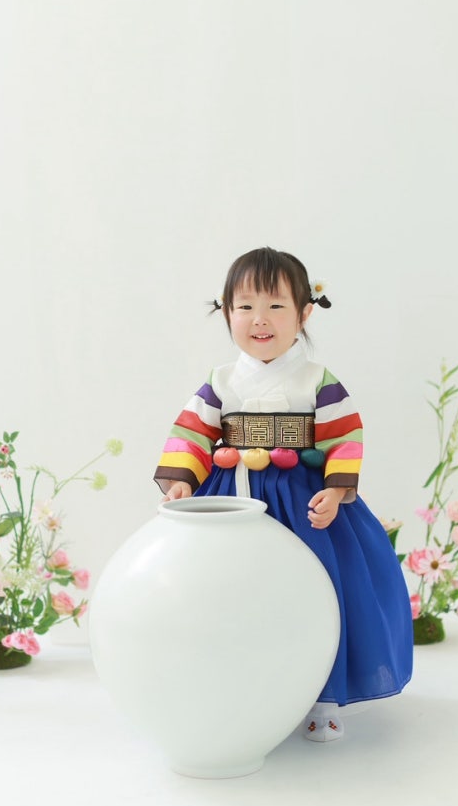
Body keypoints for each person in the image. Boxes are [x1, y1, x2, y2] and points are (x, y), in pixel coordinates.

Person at [153, 246, 412, 741]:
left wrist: (336, 490)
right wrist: (184, 478)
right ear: (227, 312)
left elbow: (344, 438)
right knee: (229, 593)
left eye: (275, 305)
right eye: (245, 306)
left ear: (304, 313)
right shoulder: (220, 381)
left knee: (317, 591)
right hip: (232, 496)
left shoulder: (317, 380)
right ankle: (237, 689)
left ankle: (322, 697)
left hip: (300, 502)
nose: (260, 319)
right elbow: (192, 434)